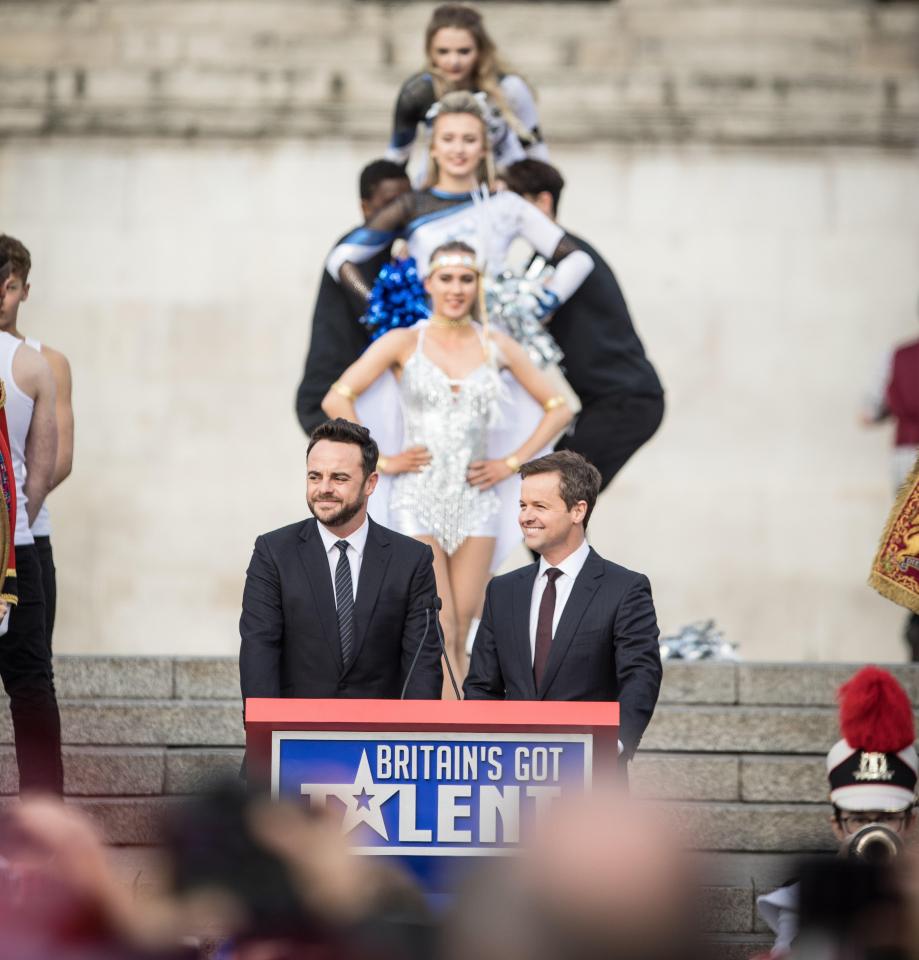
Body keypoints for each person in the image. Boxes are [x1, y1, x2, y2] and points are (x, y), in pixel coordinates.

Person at [322, 241, 572, 690]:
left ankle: (458, 732)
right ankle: (438, 732)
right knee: (437, 624)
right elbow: (337, 395)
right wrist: (381, 458)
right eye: (446, 278)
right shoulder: (403, 341)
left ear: (477, 285)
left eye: (466, 279)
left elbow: (559, 406)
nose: (456, 289)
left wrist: (513, 463)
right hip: (417, 498)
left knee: (465, 625)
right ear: (428, 284)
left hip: (477, 501)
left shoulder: (496, 344)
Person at [328, 92, 593, 333]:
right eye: (448, 139)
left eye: (469, 139)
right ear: (433, 148)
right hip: (426, 345)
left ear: (484, 149)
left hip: (490, 343)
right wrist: (381, 310)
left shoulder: (506, 205)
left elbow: (579, 260)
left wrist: (536, 305)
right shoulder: (411, 206)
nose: (458, 150)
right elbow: (340, 258)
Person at [463, 450, 662, 762]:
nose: (525, 516)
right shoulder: (502, 591)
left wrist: (616, 744)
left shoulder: (624, 589)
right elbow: (481, 687)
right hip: (506, 779)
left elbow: (641, 674)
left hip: (590, 778)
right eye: (522, 505)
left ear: (578, 511)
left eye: (540, 506)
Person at [239, 418, 443, 705]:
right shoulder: (273, 552)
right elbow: (259, 649)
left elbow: (423, 663)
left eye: (339, 478)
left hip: (381, 742)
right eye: (314, 476)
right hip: (294, 738)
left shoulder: (411, 560)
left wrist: (413, 740)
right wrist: (265, 732)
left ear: (370, 483)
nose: (324, 488)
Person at [502, 160, 665, 492]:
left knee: (551, 502)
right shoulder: (541, 263)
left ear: (542, 202)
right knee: (549, 507)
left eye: (510, 205)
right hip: (605, 402)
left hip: (625, 400)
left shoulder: (564, 262)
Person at [756, 666, 917, 956]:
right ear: (837, 825)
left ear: (911, 821)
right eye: (859, 819)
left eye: (887, 817)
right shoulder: (804, 894)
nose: (873, 831)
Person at [295, 160, 411, 435]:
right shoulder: (354, 253)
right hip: (330, 398)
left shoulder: (385, 254)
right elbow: (380, 317)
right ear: (366, 208)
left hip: (363, 396)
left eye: (407, 202)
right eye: (391, 203)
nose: (400, 212)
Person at [0, 234, 74, 650]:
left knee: (32, 668)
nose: (3, 298)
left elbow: (60, 459)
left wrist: (11, 524)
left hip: (28, 530)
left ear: (25, 291)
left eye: (12, 287)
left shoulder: (48, 362)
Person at [0, 296, 61, 793]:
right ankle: (44, 823)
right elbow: (41, 475)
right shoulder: (28, 362)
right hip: (13, 545)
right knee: (30, 687)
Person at [386, 3, 547, 183]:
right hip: (441, 185)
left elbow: (536, 153)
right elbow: (396, 159)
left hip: (502, 183)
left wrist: (538, 195)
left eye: (464, 51)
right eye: (443, 51)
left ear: (480, 50)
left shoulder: (510, 88)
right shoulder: (418, 92)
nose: (454, 61)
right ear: (430, 51)